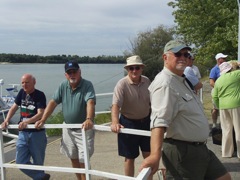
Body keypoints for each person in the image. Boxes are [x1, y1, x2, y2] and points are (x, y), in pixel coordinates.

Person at [140, 40, 231, 179]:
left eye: (186, 54)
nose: (183, 57)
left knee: (224, 178)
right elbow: (159, 122)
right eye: (177, 54)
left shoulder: (181, 79)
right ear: (165, 57)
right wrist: (154, 155)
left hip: (200, 148)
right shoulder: (165, 83)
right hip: (183, 151)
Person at [35, 61, 96, 180]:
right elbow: (53, 102)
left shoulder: (87, 85)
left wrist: (89, 119)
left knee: (83, 160)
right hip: (68, 128)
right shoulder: (63, 85)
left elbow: (90, 102)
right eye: (69, 73)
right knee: (73, 157)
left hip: (83, 129)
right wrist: (43, 120)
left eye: (74, 72)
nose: (72, 74)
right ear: (66, 75)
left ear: (79, 72)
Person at [1, 74, 50, 180]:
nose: (24, 85)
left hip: (37, 133)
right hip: (23, 133)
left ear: (34, 82)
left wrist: (27, 122)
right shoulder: (21, 93)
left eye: (27, 82)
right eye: (22, 82)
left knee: (38, 161)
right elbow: (14, 107)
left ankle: (39, 176)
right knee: (20, 161)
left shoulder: (39, 95)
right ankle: (41, 176)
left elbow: (41, 113)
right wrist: (6, 120)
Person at [111, 55, 151, 178]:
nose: (134, 71)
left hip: (146, 122)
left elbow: (153, 102)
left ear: (141, 69)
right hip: (128, 123)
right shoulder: (121, 84)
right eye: (131, 68)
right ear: (127, 70)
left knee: (149, 156)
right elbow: (115, 105)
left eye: (137, 67)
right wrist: (115, 122)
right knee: (129, 157)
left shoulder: (147, 81)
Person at [212, 62, 240, 159]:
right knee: (238, 129)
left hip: (223, 106)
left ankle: (227, 152)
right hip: (236, 104)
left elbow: (214, 96)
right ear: (230, 69)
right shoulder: (235, 75)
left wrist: (219, 106)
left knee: (226, 130)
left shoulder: (219, 80)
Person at [209, 53, 227, 128]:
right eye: (223, 58)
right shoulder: (214, 69)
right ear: (219, 60)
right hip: (217, 91)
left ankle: (224, 123)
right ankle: (214, 123)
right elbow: (211, 82)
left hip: (226, 91)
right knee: (216, 108)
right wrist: (219, 88)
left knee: (225, 108)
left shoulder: (227, 68)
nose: (225, 60)